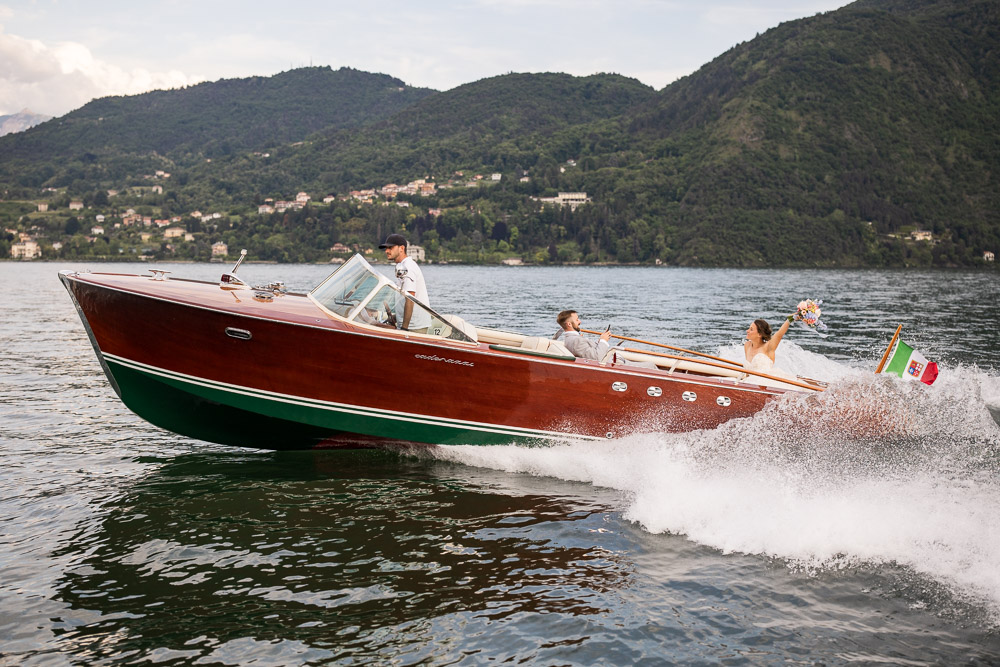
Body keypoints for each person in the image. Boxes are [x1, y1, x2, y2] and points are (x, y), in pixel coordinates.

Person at [379, 233, 430, 332]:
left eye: (390, 248)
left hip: (414, 326)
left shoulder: (407, 268)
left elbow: (410, 299)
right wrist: (396, 317)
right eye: (386, 248)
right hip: (409, 324)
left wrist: (404, 329)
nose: (386, 251)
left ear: (401, 248)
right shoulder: (403, 266)